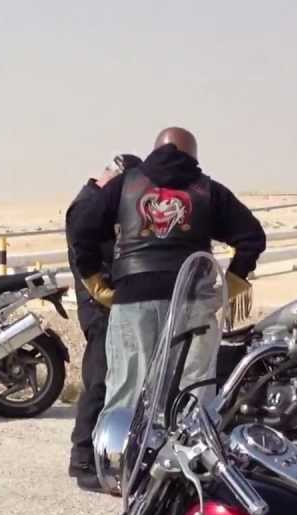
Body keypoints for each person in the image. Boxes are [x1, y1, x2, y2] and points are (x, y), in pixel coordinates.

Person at [68, 127, 266, 494]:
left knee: (127, 383)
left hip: (133, 297)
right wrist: (234, 279)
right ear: (194, 152)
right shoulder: (208, 189)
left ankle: (115, 470)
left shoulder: (126, 184)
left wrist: (95, 279)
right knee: (194, 387)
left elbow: (81, 225)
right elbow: (252, 236)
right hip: (193, 297)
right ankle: (187, 476)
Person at [65, 153, 141, 491]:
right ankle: (82, 458)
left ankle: (100, 452)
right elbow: (89, 258)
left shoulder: (97, 202)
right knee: (99, 377)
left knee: (113, 379)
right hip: (99, 303)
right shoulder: (88, 205)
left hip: (110, 301)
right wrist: (106, 290)